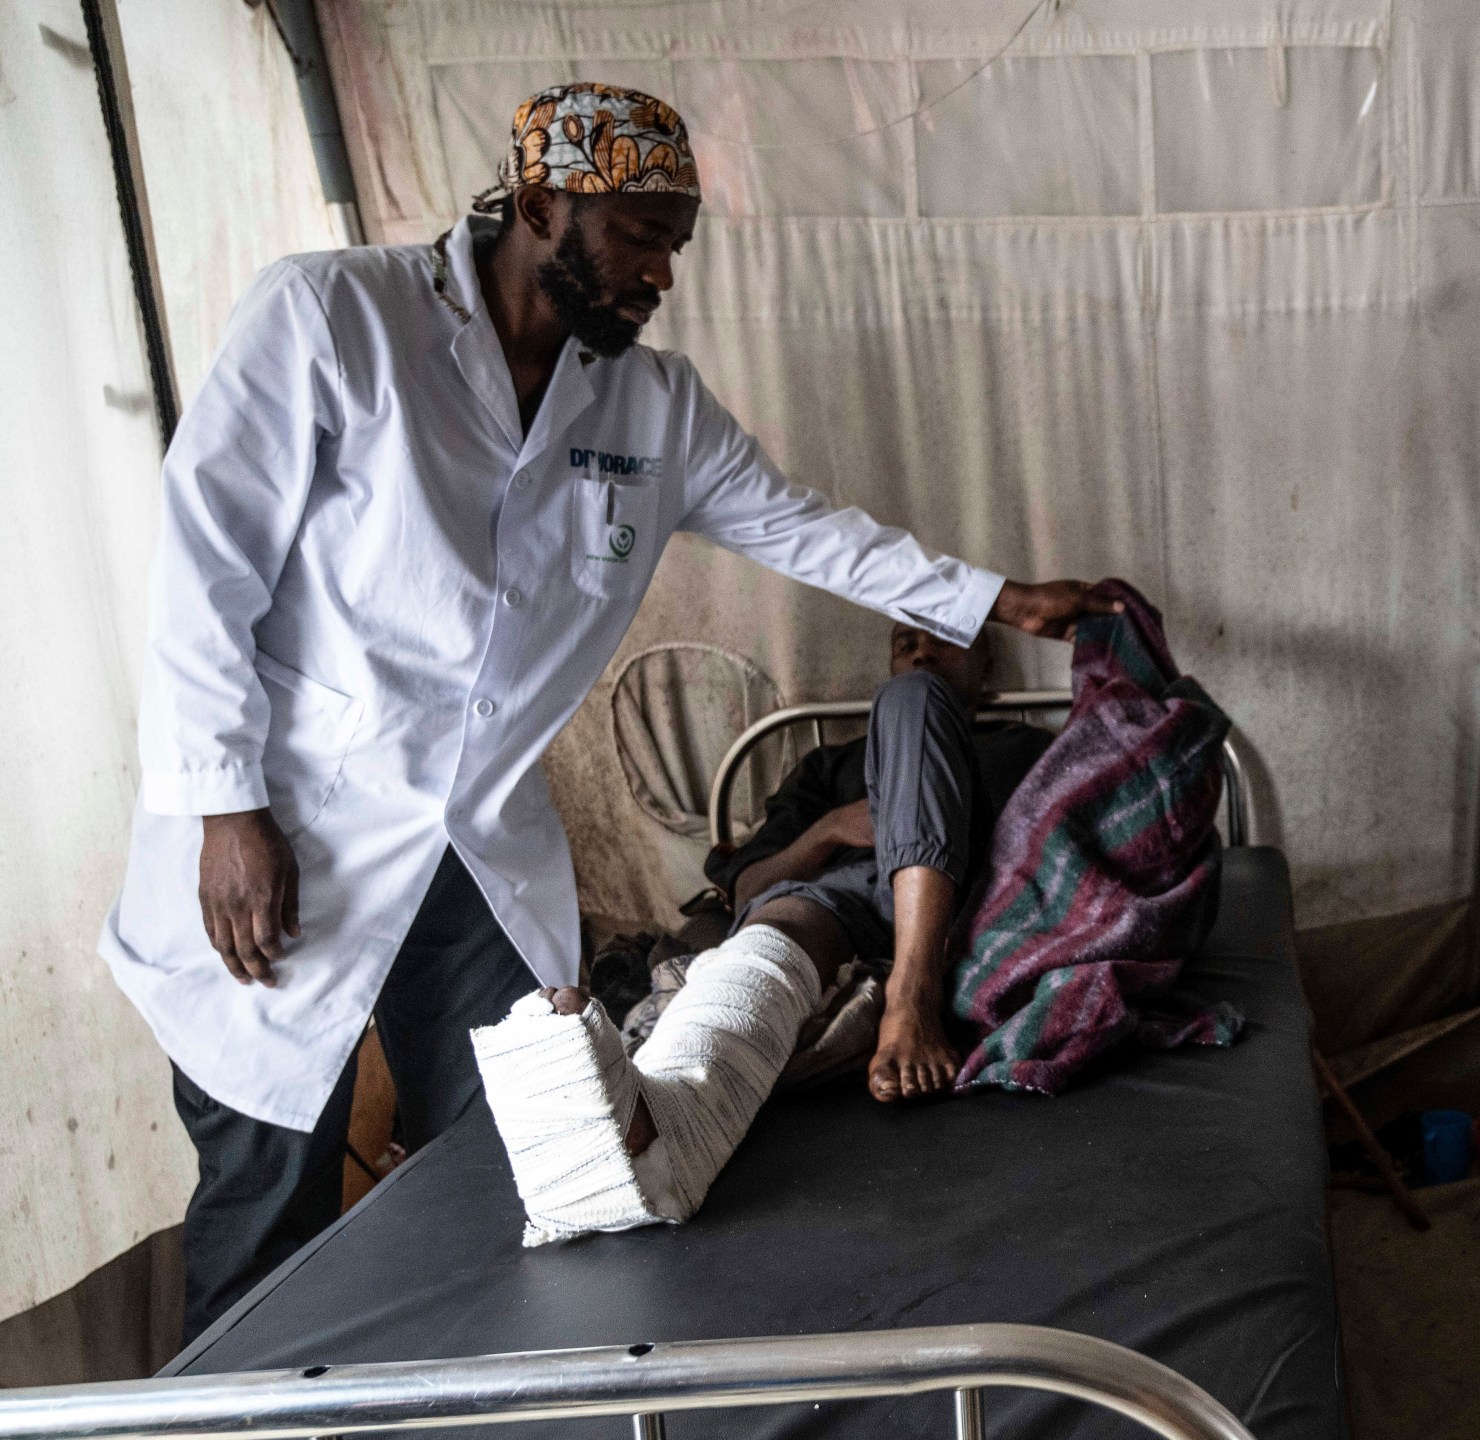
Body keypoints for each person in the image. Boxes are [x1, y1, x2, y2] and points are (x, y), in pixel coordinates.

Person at [98, 82, 1114, 1336]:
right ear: (541, 206)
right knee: (267, 1191)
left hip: (471, 848)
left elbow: (805, 531)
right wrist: (223, 804)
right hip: (283, 822)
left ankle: (474, 1408)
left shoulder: (652, 407)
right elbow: (208, 568)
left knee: (517, 1158)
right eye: (641, 237)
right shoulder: (333, 317)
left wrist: (997, 597)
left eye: (675, 245)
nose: (662, 275)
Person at [704, 621, 1050, 1101]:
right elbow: (748, 888)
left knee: (914, 697)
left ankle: (911, 996)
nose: (923, 654)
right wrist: (830, 829)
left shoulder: (1027, 750)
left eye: (944, 641)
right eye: (906, 645)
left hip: (966, 899)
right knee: (779, 928)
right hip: (840, 899)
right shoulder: (831, 765)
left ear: (987, 663)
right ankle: (718, 1033)